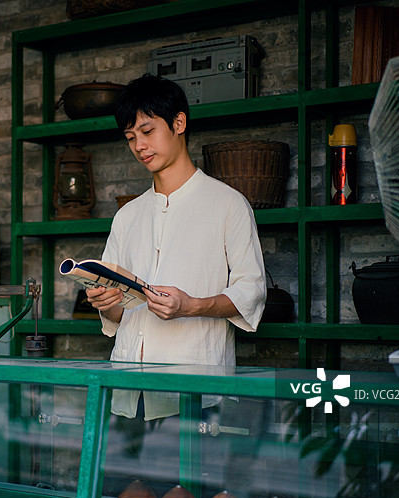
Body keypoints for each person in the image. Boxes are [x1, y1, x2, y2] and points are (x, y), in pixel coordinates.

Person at [85, 74, 267, 421]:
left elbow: (252, 292)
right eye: (130, 137)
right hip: (127, 387)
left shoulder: (228, 204)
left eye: (147, 130)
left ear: (179, 122)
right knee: (127, 478)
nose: (139, 145)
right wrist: (106, 304)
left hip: (194, 388)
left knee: (190, 477)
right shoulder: (127, 216)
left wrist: (192, 306)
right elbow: (116, 315)